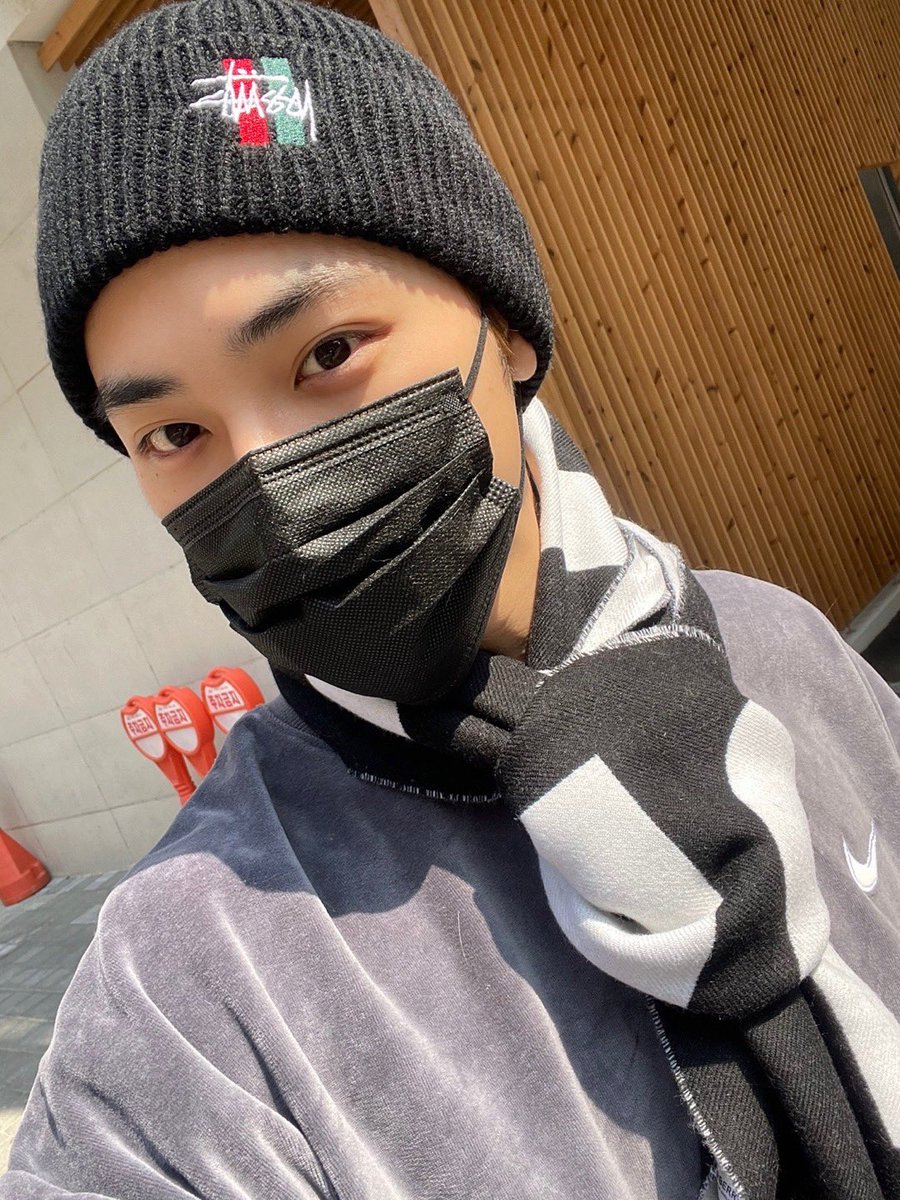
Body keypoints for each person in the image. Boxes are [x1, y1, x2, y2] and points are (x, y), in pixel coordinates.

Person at [4, 0, 899, 1197]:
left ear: (506, 327)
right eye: (173, 433)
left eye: (328, 355)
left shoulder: (776, 646)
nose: (269, 482)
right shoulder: (194, 987)